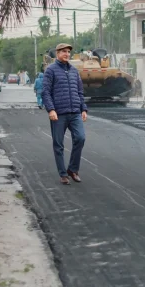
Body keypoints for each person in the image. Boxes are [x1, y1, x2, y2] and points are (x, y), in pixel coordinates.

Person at [41, 43, 88, 185]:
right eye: (63, 51)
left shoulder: (74, 71)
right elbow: (45, 92)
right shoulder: (51, 70)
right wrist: (51, 109)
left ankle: (72, 169)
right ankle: (63, 174)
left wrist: (83, 109)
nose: (66, 54)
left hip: (74, 113)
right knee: (58, 144)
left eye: (68, 51)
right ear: (57, 53)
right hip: (59, 113)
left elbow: (80, 92)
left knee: (80, 138)